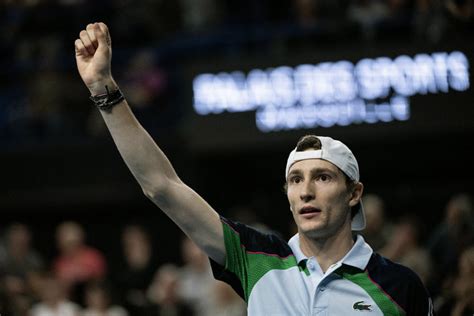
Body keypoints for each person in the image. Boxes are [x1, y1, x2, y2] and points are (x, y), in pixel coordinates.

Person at [74, 22, 434, 315]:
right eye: (295, 180)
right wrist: (104, 91)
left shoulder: (400, 287)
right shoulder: (257, 258)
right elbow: (161, 186)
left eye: (322, 177)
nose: (306, 191)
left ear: (354, 193)